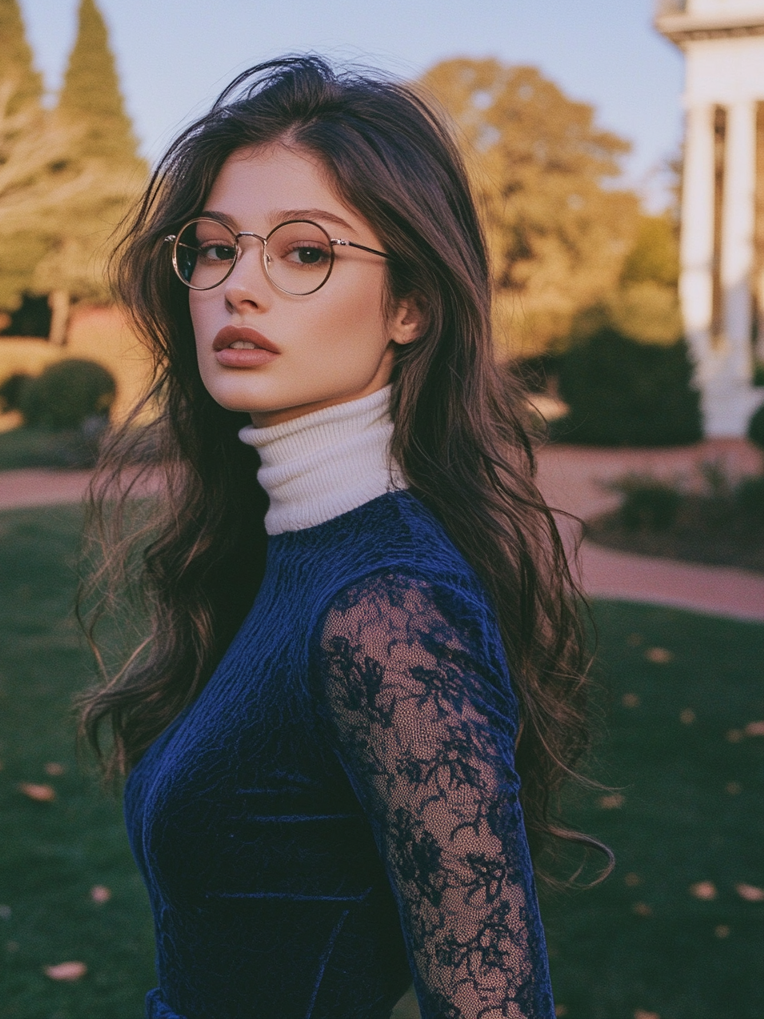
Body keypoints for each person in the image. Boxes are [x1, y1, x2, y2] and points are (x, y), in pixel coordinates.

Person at [81, 56, 605, 1019]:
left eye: (305, 252)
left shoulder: (388, 611)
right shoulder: (293, 549)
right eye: (213, 248)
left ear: (412, 306)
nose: (239, 287)